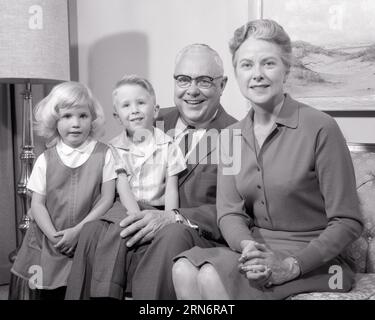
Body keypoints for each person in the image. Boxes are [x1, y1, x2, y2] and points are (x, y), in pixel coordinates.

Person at [172, 19, 363, 300]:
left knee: (212, 276)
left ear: (286, 68)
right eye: (247, 65)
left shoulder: (321, 128)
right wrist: (247, 246)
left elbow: (347, 221)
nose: (257, 74)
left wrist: (291, 266)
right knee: (183, 268)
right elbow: (230, 212)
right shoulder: (230, 136)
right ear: (235, 74)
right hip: (256, 252)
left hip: (317, 261)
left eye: (268, 64)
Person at [65, 44, 236, 299]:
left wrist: (174, 216)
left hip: (188, 232)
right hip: (136, 216)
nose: (192, 90)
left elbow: (234, 208)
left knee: (172, 234)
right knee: (92, 231)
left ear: (222, 85)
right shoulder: (150, 117)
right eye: (183, 79)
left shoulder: (235, 136)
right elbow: (111, 159)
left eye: (204, 81)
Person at [66, 75, 186, 298]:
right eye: (126, 105)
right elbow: (122, 188)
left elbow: (171, 188)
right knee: (108, 229)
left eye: (141, 103)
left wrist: (170, 216)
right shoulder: (113, 148)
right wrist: (136, 216)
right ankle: (103, 291)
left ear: (156, 109)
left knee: (137, 228)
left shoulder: (169, 146)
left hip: (155, 209)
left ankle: (110, 289)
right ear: (117, 116)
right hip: (125, 204)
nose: (135, 110)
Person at [11, 81, 116, 299]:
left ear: (92, 118)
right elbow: (37, 204)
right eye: (67, 116)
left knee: (79, 290)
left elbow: (106, 200)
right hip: (48, 240)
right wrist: (54, 236)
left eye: (83, 116)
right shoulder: (44, 159)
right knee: (47, 293)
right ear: (54, 121)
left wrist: (78, 232)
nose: (75, 123)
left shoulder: (105, 154)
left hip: (86, 238)